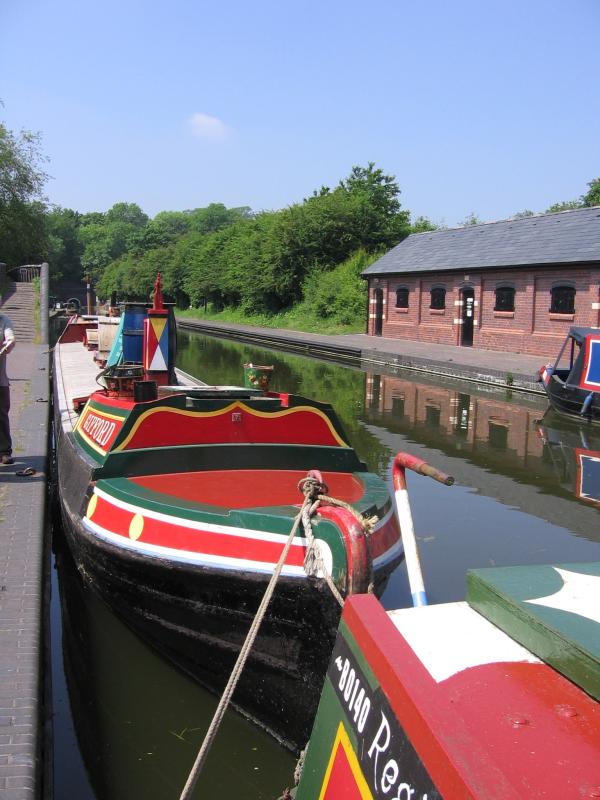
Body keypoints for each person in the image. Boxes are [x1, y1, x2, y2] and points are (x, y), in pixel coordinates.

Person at [0, 314, 15, 465]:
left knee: (2, 414)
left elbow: (10, 338)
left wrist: (7, 345)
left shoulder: (4, 321)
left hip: (0, 380)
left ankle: (4, 451)